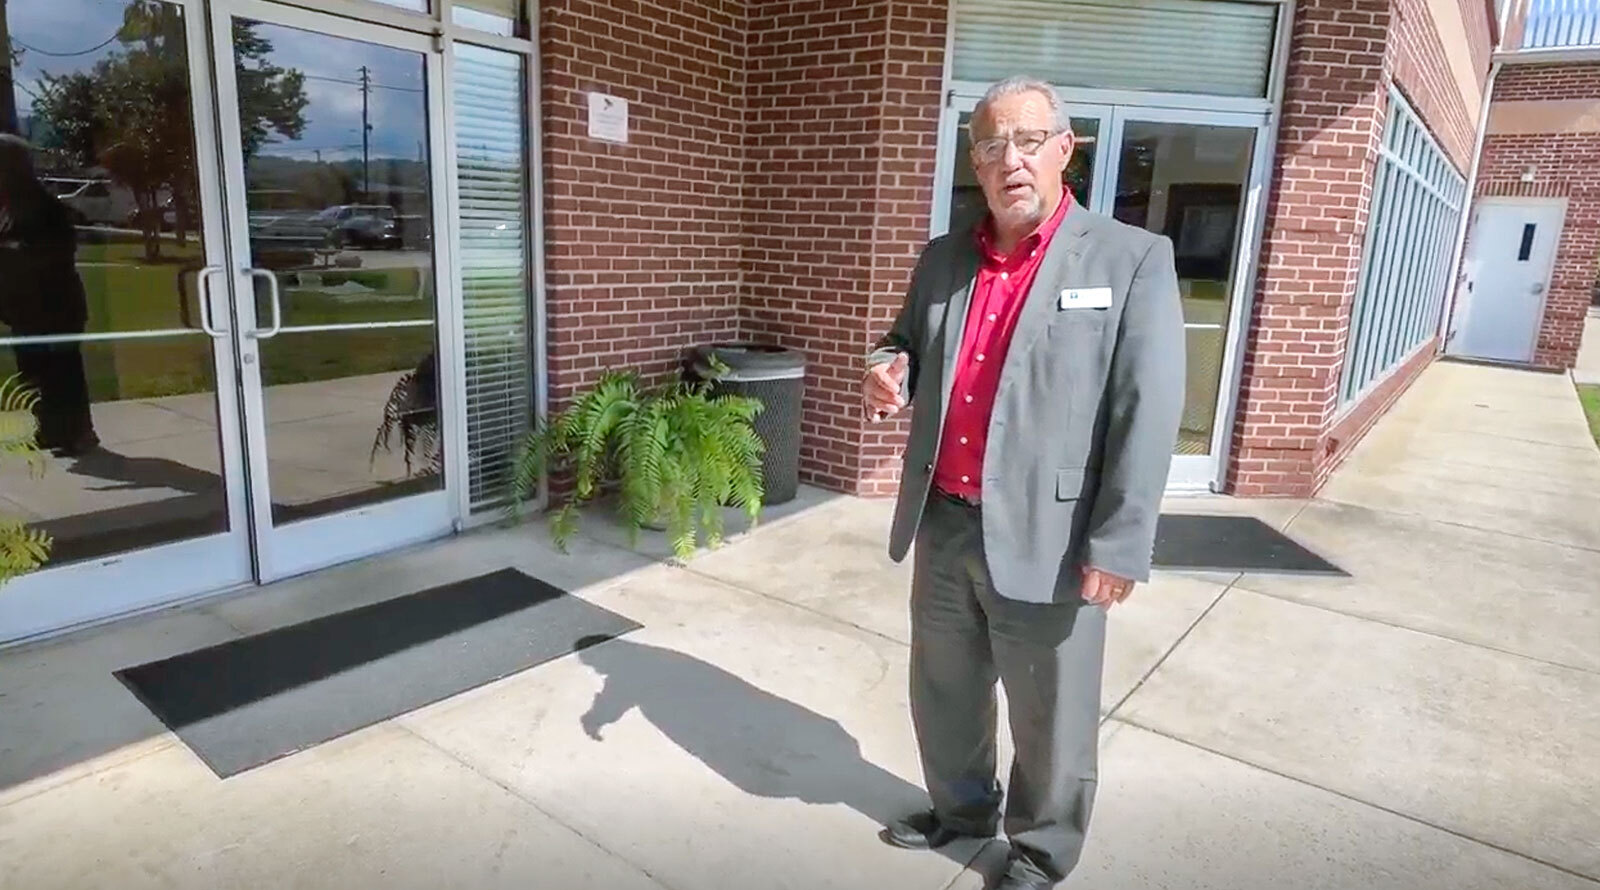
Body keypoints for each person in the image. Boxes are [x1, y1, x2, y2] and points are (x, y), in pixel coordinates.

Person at [863, 76, 1185, 889]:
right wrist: (887, 367)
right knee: (946, 687)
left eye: (1027, 140)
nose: (1009, 160)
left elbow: (1145, 414)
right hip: (944, 519)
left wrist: (1120, 542)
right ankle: (961, 811)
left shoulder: (1130, 258)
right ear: (973, 160)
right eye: (990, 145)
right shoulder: (943, 258)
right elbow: (901, 340)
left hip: (1054, 534)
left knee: (1050, 715)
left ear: (1064, 149)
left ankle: (1041, 852)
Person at [0, 133, 98, 456]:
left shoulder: (46, 208)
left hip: (56, 308)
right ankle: (51, 429)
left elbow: (54, 254)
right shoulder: (9, 209)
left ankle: (79, 433)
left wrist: (11, 252)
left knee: (63, 371)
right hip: (25, 310)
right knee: (33, 372)